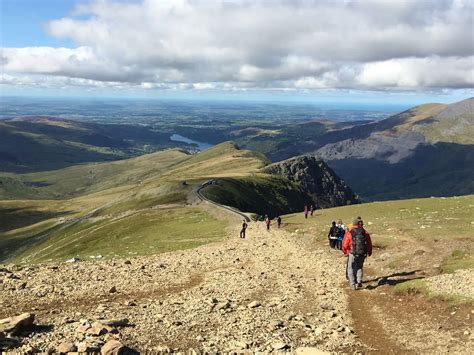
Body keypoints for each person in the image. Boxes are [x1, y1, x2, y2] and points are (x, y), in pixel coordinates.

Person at [342, 217, 372, 290]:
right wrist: (369, 252)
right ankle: (359, 281)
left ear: (354, 224)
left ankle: (352, 284)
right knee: (359, 267)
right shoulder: (365, 232)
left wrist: (345, 252)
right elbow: (369, 243)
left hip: (352, 253)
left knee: (350, 268)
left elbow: (344, 244)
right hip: (362, 253)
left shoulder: (350, 232)